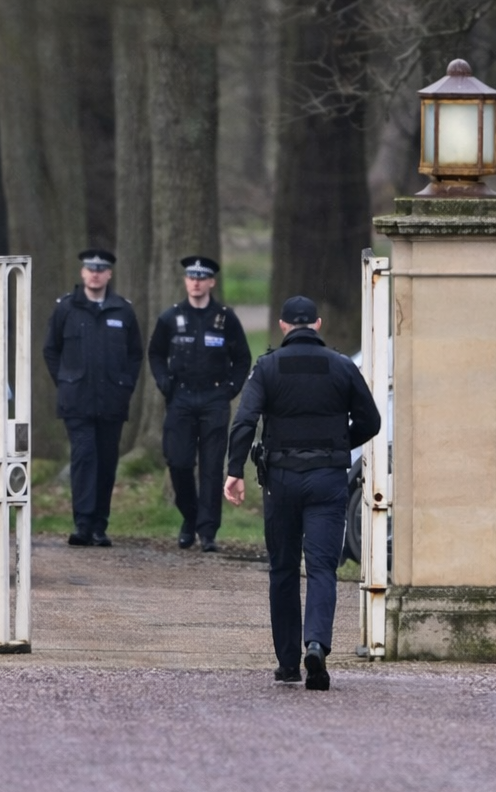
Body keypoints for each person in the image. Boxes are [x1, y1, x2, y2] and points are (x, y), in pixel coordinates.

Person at [224, 295, 381, 691]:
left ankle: (288, 662)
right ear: (318, 323)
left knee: (282, 569)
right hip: (327, 478)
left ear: (281, 326)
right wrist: (341, 444)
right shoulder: (343, 366)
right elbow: (372, 420)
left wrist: (234, 471)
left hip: (282, 480)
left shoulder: (268, 366)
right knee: (323, 568)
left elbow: (245, 420)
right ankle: (317, 644)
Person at [147, 255, 252, 553]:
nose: (195, 282)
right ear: (185, 281)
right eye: (191, 276)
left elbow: (242, 358)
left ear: (211, 282)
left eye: (201, 277)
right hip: (180, 397)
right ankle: (190, 516)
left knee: (211, 467)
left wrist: (230, 389)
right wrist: (164, 382)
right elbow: (155, 353)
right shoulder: (171, 317)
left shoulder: (224, 317)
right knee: (178, 461)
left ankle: (207, 532)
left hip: (214, 399)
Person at [43, 249, 143, 547]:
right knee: (84, 457)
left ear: (109, 274)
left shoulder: (122, 310)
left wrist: (124, 385)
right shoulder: (66, 309)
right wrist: (65, 381)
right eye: (90, 268)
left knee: (106, 461)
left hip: (112, 400)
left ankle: (100, 525)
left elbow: (135, 354)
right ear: (83, 273)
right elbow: (51, 350)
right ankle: (83, 524)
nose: (95, 273)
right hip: (77, 401)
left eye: (101, 269)